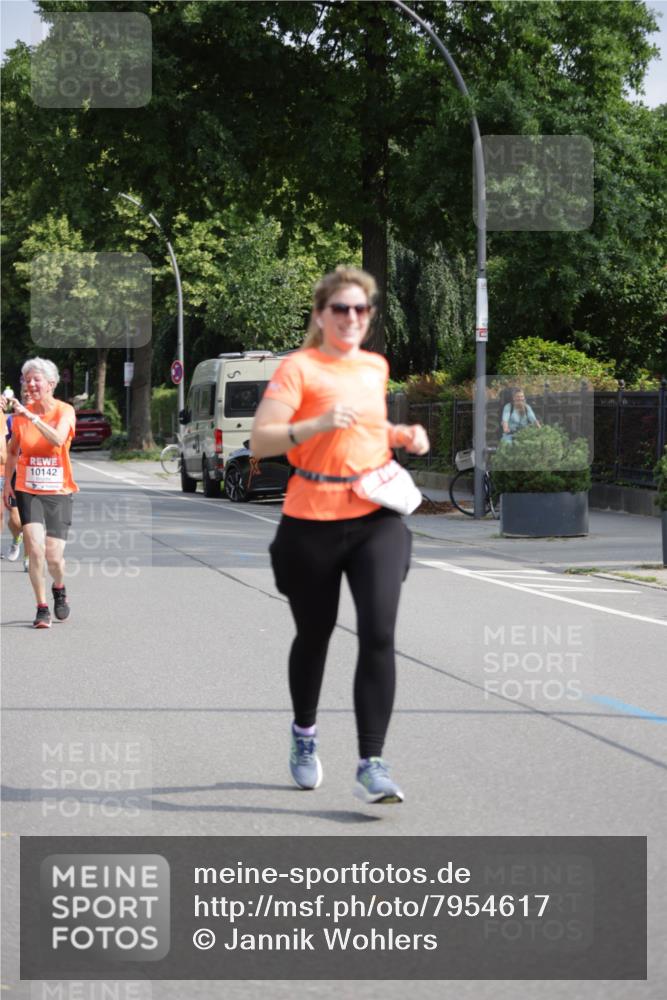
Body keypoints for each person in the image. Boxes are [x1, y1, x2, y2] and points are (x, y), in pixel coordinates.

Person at [251, 266, 429, 804]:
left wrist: (403, 434)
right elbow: (261, 440)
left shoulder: (375, 367)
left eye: (361, 310)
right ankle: (304, 734)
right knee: (316, 634)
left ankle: (371, 763)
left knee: (378, 632)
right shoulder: (298, 369)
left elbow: (369, 430)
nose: (352, 318)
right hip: (310, 519)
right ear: (321, 315)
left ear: (369, 317)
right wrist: (316, 425)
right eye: (341, 309)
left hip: (375, 514)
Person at [2, 358, 78, 628]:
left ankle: (59, 587)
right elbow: (12, 453)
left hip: (58, 491)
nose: (31, 384)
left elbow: (58, 439)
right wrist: (9, 483)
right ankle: (41, 606)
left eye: (36, 379)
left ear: (51, 384)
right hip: (28, 489)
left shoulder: (64, 411)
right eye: (27, 379)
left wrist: (31, 416)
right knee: (34, 549)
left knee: (53, 555)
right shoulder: (18, 418)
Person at [2, 384, 32, 568]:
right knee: (15, 519)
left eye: (31, 393)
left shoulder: (45, 419)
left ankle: (29, 556)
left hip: (34, 474)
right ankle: (16, 538)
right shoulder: (12, 420)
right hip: (15, 472)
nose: (28, 395)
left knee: (31, 520)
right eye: (25, 393)